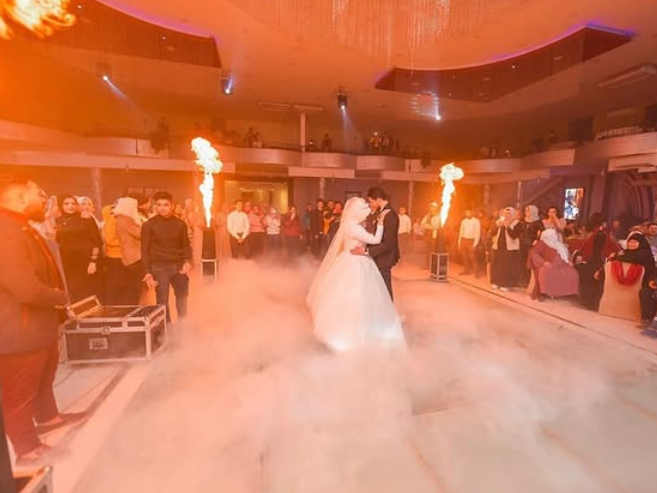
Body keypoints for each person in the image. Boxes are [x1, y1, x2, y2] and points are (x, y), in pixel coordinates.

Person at [0, 173, 85, 464]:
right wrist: (60, 296)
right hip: (18, 329)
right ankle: (27, 449)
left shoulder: (21, 226)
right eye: (39, 194)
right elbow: (24, 288)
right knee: (20, 393)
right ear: (21, 197)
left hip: (37, 325)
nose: (45, 200)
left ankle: (48, 418)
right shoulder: (6, 231)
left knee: (43, 377)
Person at [307, 197, 405, 351]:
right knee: (359, 294)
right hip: (357, 262)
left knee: (349, 293)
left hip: (350, 259)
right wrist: (380, 224)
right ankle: (355, 331)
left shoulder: (351, 226)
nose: (366, 215)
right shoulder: (355, 228)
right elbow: (375, 240)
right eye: (364, 212)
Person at [141, 191, 192, 323]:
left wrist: (187, 261)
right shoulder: (148, 225)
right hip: (159, 267)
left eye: (166, 205)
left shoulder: (180, 224)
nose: (162, 208)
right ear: (155, 206)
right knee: (162, 301)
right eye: (159, 205)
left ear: (172, 205)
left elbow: (186, 245)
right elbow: (144, 250)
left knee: (182, 298)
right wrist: (147, 272)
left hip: (179, 266)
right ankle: (166, 329)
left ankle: (183, 326)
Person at [353, 186, 400, 300]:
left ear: (378, 199)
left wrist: (367, 250)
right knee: (378, 287)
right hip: (379, 255)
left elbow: (389, 243)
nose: (370, 204)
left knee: (385, 288)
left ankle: (389, 309)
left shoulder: (390, 214)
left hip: (385, 257)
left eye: (371, 201)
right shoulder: (381, 212)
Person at [56, 194, 102, 302]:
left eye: (73, 203)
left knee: (86, 293)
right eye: (66, 203)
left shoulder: (85, 218)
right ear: (61, 205)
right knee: (71, 292)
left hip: (85, 262)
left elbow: (97, 242)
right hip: (66, 262)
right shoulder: (58, 220)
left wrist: (93, 261)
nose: (70, 206)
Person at [608, 232, 657, 327]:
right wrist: (616, 256)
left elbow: (632, 259)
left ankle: (647, 319)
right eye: (630, 242)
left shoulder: (644, 253)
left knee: (646, 293)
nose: (631, 244)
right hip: (633, 279)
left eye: (634, 242)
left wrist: (616, 256)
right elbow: (621, 257)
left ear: (640, 243)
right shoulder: (626, 252)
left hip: (648, 280)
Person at [574, 213, 620, 310]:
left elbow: (582, 249)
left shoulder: (597, 235)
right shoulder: (604, 236)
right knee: (587, 272)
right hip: (597, 262)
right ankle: (590, 301)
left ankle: (588, 300)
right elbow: (618, 250)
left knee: (588, 272)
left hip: (599, 263)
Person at [527, 229, 579, 301]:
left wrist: (570, 261)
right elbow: (533, 253)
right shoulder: (542, 243)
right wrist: (543, 262)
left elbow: (566, 254)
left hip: (563, 264)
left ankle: (568, 293)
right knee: (545, 272)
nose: (557, 236)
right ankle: (543, 293)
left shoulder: (559, 244)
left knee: (573, 273)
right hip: (549, 265)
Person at [114, 196, 147, 305]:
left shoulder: (120, 219)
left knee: (134, 286)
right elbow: (141, 233)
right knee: (136, 288)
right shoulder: (126, 220)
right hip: (134, 257)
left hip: (130, 256)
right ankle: (135, 308)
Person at [490, 207, 523, 291]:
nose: (506, 215)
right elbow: (492, 233)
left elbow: (514, 235)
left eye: (509, 214)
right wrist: (497, 226)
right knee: (497, 266)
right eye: (505, 213)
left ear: (513, 214)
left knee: (507, 267)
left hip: (510, 249)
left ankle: (506, 284)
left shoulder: (517, 223)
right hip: (498, 248)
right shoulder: (499, 221)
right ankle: (496, 282)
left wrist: (507, 226)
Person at [519, 205, 544, 287]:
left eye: (528, 211)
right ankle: (521, 280)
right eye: (526, 211)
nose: (526, 212)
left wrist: (537, 239)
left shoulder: (538, 222)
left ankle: (528, 281)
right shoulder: (523, 221)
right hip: (522, 244)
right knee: (522, 261)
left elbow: (543, 233)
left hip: (531, 244)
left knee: (529, 262)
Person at [458, 208, 481, 276]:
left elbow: (477, 233)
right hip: (464, 240)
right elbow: (461, 232)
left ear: (472, 213)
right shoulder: (463, 221)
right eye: (466, 213)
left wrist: (475, 244)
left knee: (473, 257)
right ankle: (466, 271)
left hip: (471, 241)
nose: (467, 214)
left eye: (469, 213)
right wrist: (459, 242)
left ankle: (476, 272)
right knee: (465, 257)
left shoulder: (476, 221)